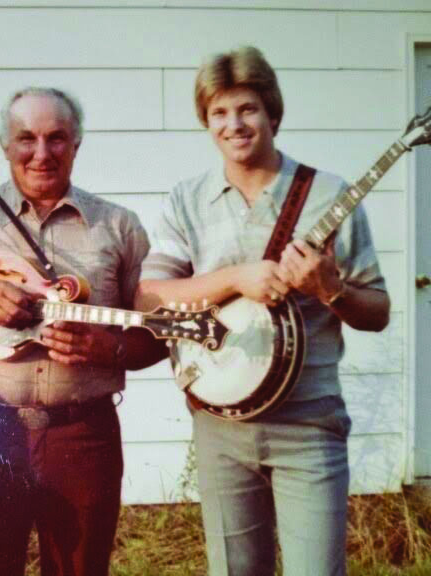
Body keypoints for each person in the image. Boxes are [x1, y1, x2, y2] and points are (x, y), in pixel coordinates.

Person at [135, 46, 390, 576]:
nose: (235, 124)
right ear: (206, 123)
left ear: (272, 112)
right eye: (219, 113)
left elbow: (378, 310)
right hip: (219, 423)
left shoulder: (328, 194)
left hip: (309, 422)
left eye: (247, 108)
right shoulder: (187, 199)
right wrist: (235, 278)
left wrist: (330, 289)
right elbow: (150, 298)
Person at [0, 87, 167, 576]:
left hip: (83, 435)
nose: (41, 152)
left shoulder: (118, 226)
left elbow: (158, 334)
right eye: (26, 138)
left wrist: (109, 347)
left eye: (56, 138)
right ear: (4, 145)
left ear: (76, 144)